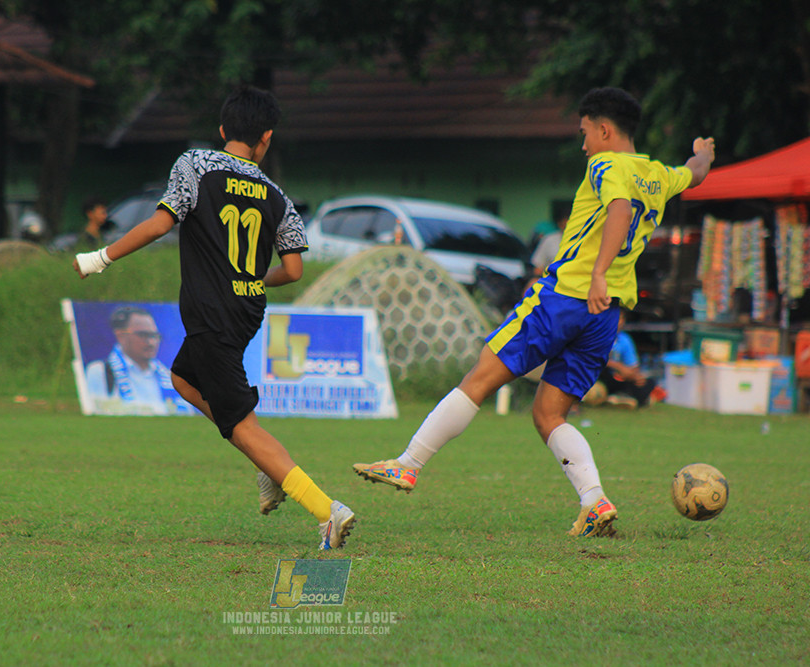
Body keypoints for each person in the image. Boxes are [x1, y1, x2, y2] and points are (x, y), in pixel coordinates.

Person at [353, 87, 715, 538]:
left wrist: (598, 271)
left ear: (604, 130)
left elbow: (619, 208)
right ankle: (594, 501)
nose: (583, 145)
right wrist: (702, 155)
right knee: (548, 414)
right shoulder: (657, 174)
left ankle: (408, 465)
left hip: (565, 298)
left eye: (585, 133)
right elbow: (694, 175)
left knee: (480, 377)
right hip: (604, 316)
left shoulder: (606, 165)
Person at [73, 86, 356, 550]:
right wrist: (249, 278)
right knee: (183, 378)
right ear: (266, 138)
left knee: (240, 426)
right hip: (245, 311)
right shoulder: (277, 195)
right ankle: (267, 470)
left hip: (211, 312)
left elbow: (162, 224)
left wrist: (100, 257)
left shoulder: (195, 165)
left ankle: (328, 511)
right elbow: (294, 270)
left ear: (223, 130)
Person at [85, 306, 195, 416]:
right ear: (121, 336)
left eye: (154, 336)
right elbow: (98, 411)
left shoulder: (169, 376)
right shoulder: (101, 371)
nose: (151, 342)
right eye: (143, 335)